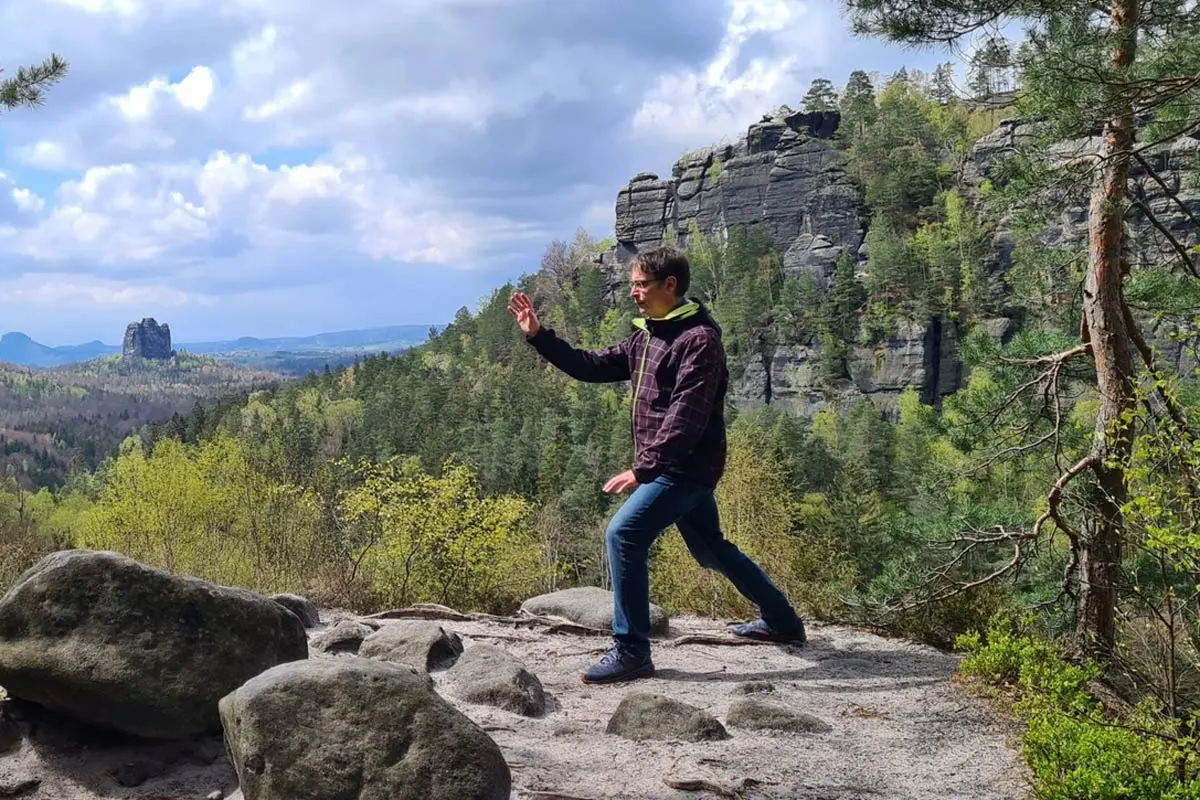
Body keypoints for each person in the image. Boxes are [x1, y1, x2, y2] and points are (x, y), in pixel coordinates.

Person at [508, 245, 807, 685]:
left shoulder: (698, 341)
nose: (634, 293)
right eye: (632, 284)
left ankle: (632, 650)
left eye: (641, 284)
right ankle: (782, 621)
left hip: (685, 467)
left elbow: (687, 416)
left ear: (670, 285)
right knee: (711, 550)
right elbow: (590, 366)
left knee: (624, 534)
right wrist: (540, 336)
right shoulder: (647, 335)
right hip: (671, 465)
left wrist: (644, 469)